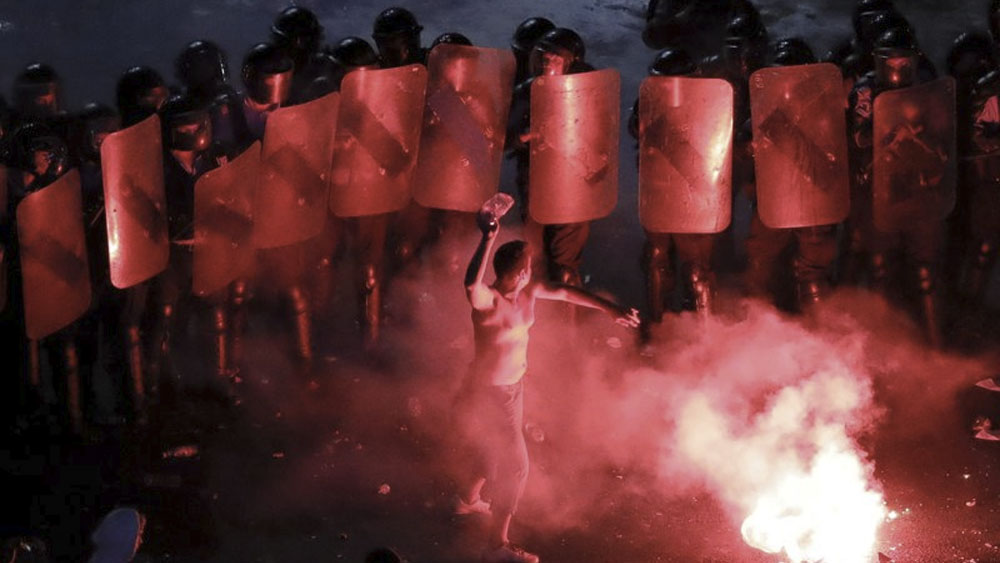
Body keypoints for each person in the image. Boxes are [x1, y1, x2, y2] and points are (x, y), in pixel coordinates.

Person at [456, 211, 639, 563]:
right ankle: (497, 546)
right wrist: (487, 237)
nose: (533, 271)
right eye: (529, 266)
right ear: (519, 272)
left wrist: (611, 309)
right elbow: (469, 284)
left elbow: (567, 293)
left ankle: (467, 501)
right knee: (516, 467)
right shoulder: (488, 302)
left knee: (494, 453)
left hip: (514, 388)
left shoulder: (529, 294)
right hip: (491, 392)